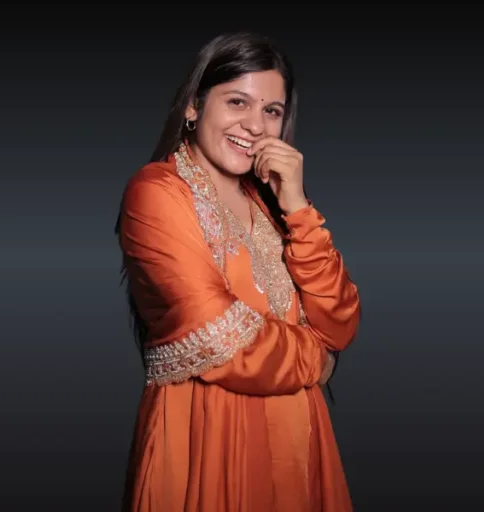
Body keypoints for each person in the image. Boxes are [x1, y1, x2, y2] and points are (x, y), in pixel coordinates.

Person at [115, 32, 361, 511]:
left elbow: (340, 321)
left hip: (297, 442)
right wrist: (316, 361)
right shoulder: (156, 192)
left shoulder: (268, 203)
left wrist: (296, 205)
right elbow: (219, 336)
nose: (254, 125)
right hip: (208, 436)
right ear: (194, 105)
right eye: (237, 102)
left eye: (271, 110)